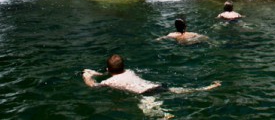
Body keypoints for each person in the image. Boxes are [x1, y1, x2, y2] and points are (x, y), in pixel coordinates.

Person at [83, 54, 221, 95]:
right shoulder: (130, 71)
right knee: (180, 91)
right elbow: (115, 72)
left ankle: (164, 115)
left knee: (149, 109)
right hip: (156, 86)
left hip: (145, 93)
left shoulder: (110, 82)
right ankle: (205, 88)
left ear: (108, 69)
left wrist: (87, 77)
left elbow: (93, 86)